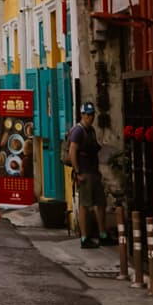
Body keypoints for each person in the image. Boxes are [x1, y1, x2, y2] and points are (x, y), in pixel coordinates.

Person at [67, 103, 107, 249]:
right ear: (82, 115)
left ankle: (103, 234)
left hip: (93, 171)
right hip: (84, 172)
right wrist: (78, 172)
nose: (90, 117)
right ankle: (84, 237)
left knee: (100, 203)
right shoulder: (78, 131)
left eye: (92, 114)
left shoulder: (91, 130)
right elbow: (72, 152)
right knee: (85, 205)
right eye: (88, 114)